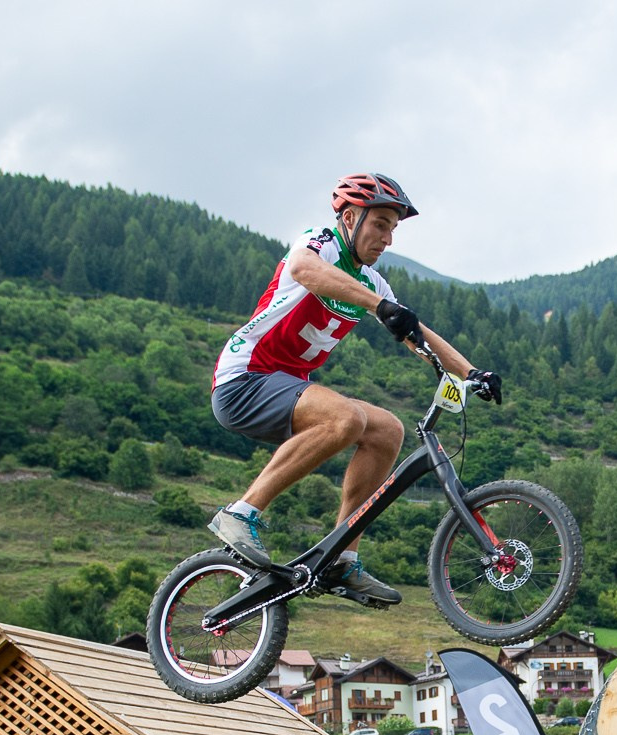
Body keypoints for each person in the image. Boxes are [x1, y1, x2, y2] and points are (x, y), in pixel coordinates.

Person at [207, 172, 502, 609]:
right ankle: (240, 513)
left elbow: (416, 332)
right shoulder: (320, 240)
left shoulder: (374, 283)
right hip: (244, 379)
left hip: (286, 388)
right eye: (380, 224)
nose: (387, 238)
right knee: (346, 418)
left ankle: (342, 558)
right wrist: (376, 304)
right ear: (350, 216)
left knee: (386, 430)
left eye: (393, 229)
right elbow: (304, 269)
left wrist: (472, 373)